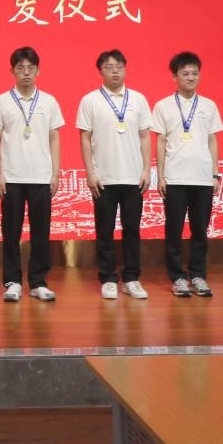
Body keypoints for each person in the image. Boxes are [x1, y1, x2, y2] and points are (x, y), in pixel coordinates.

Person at [0, 47, 64, 302]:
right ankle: (13, 282)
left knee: (41, 233)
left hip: (41, 176)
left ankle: (38, 282)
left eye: (31, 68)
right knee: (11, 233)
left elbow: (54, 137)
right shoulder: (1, 102)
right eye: (20, 68)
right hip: (12, 177)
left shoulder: (49, 102)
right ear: (12, 71)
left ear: (38, 71)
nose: (26, 73)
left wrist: (55, 173)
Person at [77, 49, 153, 300]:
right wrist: (90, 172)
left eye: (119, 66)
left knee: (132, 230)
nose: (115, 71)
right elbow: (85, 138)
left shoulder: (138, 99)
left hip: (133, 176)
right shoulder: (90, 100)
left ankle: (132, 278)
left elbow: (145, 136)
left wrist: (146, 169)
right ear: (100, 71)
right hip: (104, 178)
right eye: (109, 67)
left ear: (125, 69)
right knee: (105, 230)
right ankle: (108, 278)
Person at [153, 51, 223, 299]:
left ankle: (198, 275)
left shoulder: (208, 105)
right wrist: (161, 176)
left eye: (195, 73)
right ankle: (177, 277)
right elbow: (160, 141)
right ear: (174, 76)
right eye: (185, 73)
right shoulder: (163, 105)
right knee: (173, 230)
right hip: (175, 177)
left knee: (200, 229)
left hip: (203, 177)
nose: (191, 77)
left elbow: (212, 139)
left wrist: (215, 174)